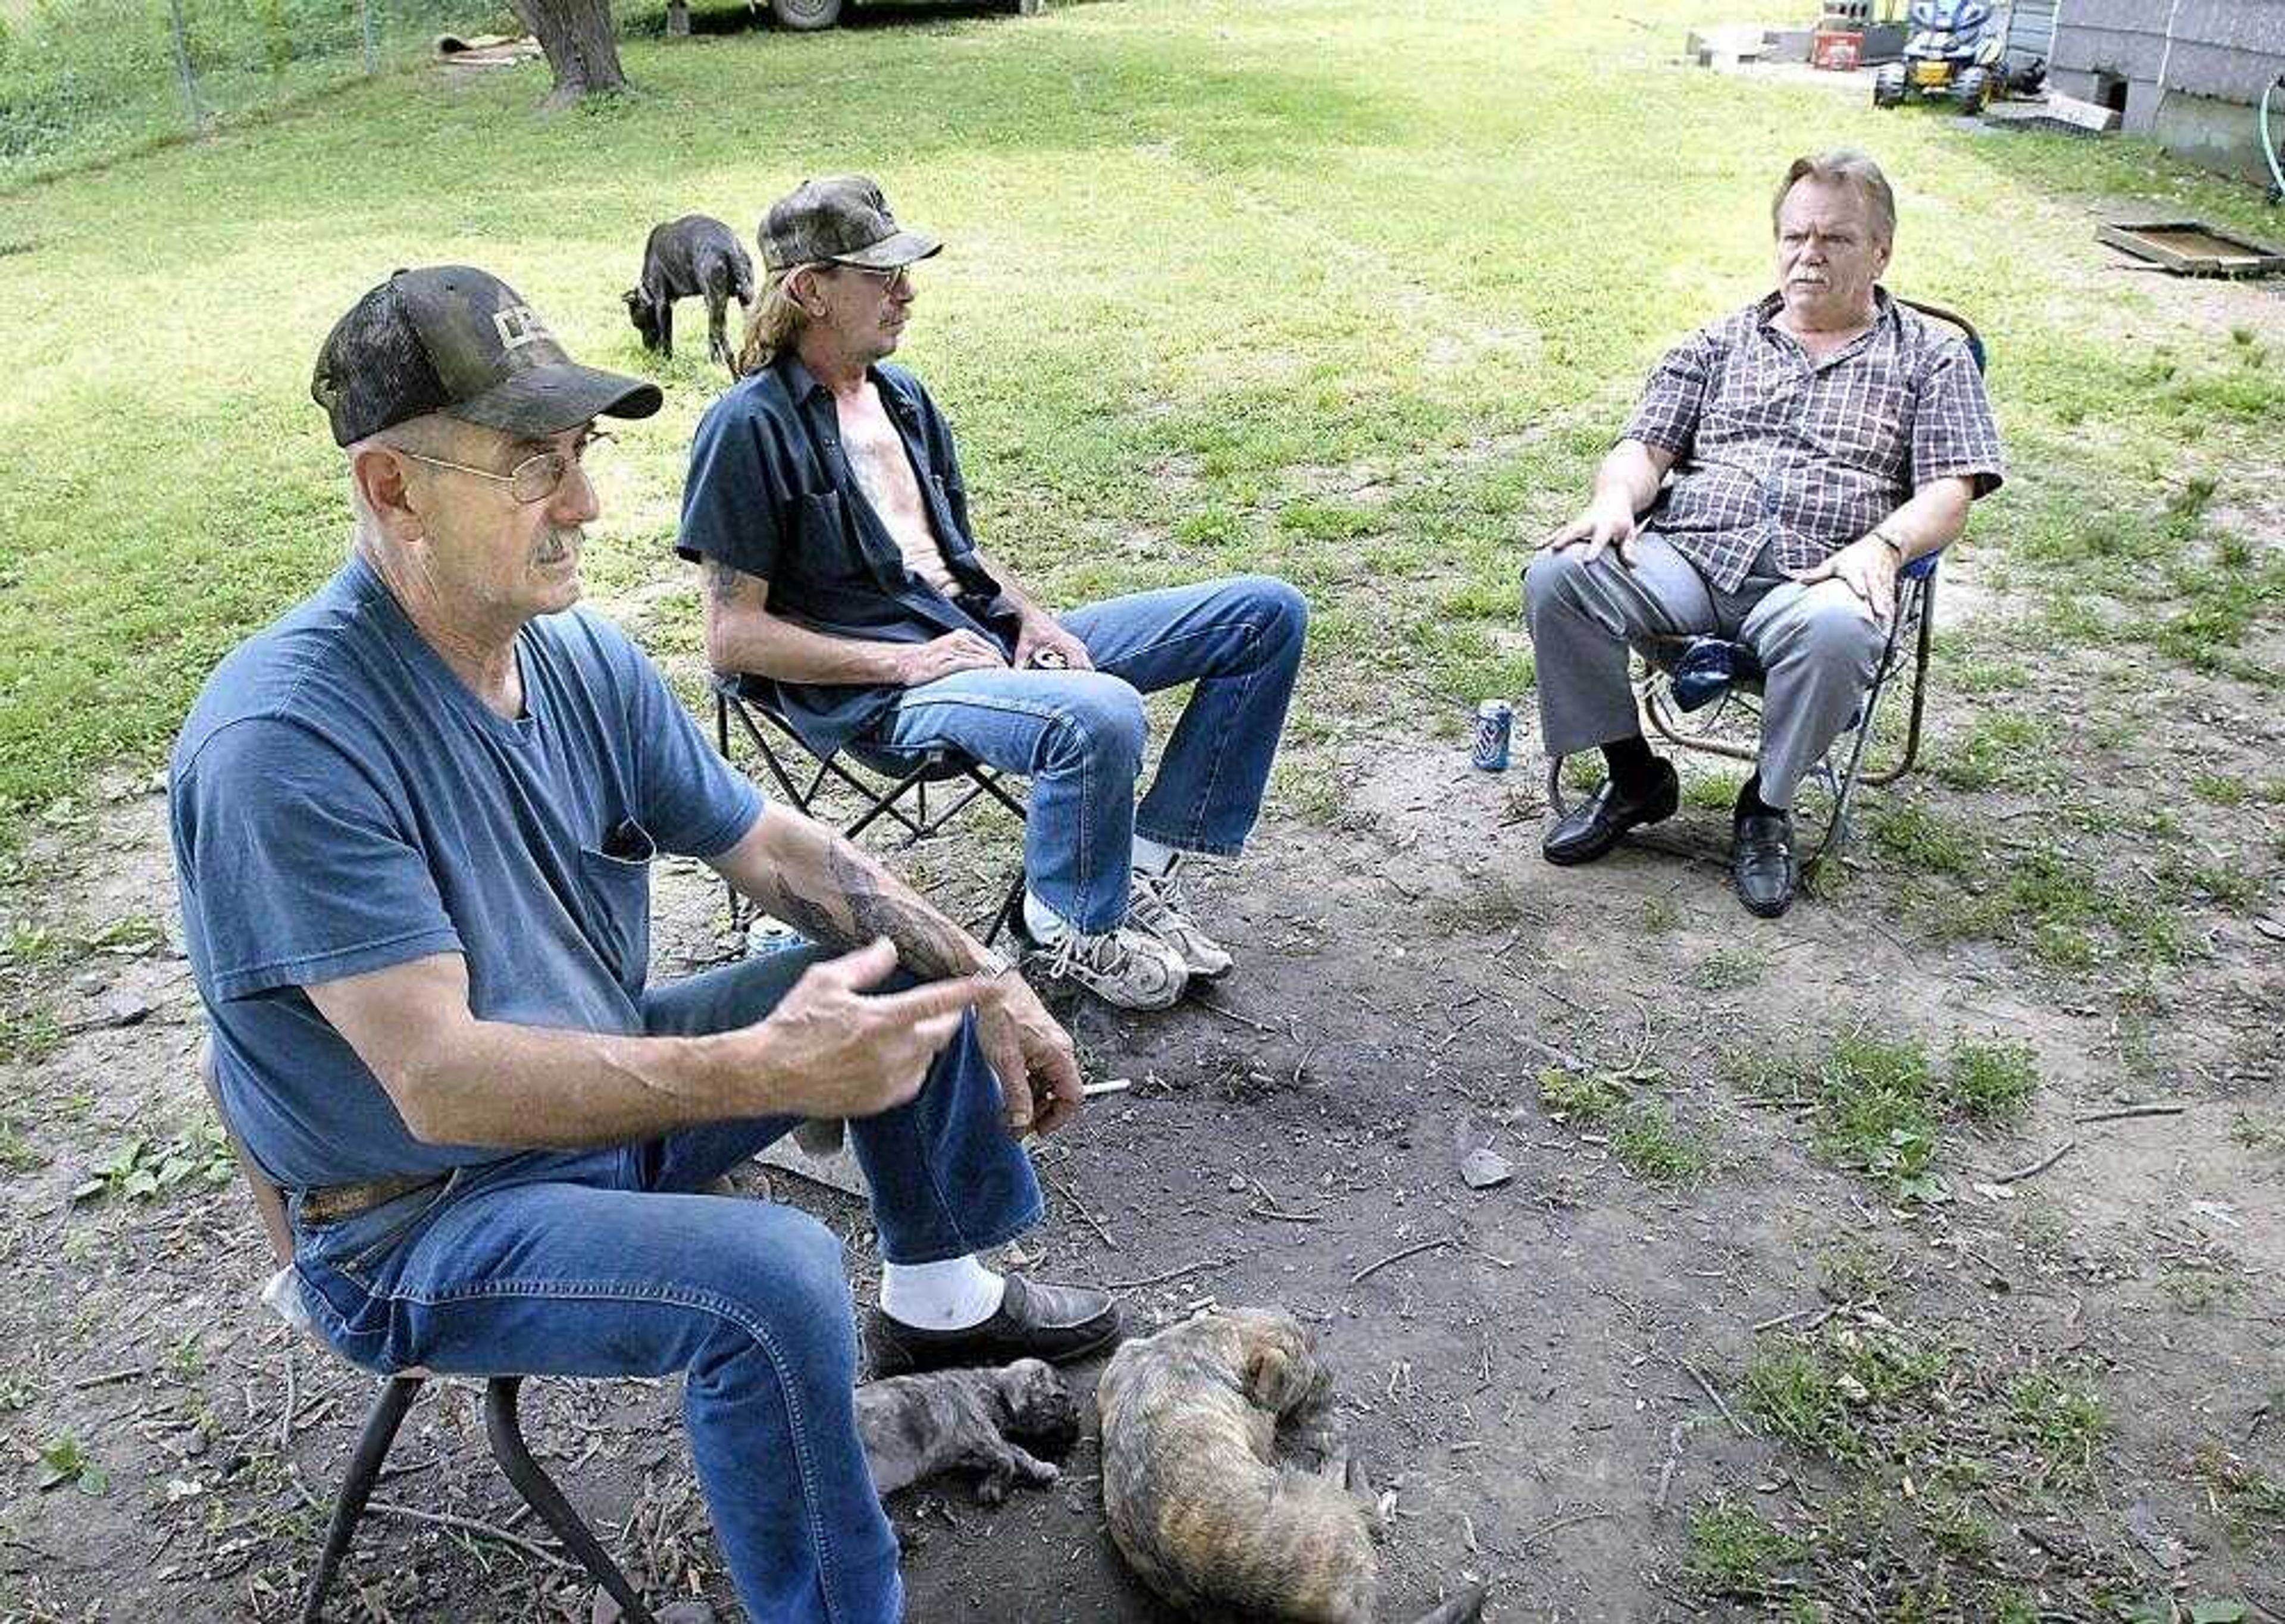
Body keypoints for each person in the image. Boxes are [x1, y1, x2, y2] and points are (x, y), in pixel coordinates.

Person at [168, 265, 1122, 1623]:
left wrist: (990, 977)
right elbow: (440, 1084)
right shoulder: (289, 744)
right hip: (418, 1217)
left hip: (584, 1108)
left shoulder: (571, 660)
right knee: (776, 1276)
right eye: (528, 466)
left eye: (580, 452)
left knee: (897, 969)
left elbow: (780, 852)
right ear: (392, 488)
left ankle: (941, 1298)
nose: (587, 504)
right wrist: (759, 1066)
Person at [680, 176, 1309, 1011]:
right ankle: (1066, 925)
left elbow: (956, 552)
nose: (906, 292)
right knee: (1101, 711)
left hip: (971, 634)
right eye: (881, 276)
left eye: (905, 270)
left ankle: (1140, 871)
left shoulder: (901, 397)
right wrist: (905, 663)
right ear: (810, 290)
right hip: (882, 688)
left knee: (1265, 614)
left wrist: (1029, 614)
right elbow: (733, 639)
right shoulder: (748, 427)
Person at [1523, 149, 2005, 917]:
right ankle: (1635, 775)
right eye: (1795, 236)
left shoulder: (1933, 358)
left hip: (1821, 574)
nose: (1809, 255)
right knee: (1562, 573)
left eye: (1836, 239)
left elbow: (1952, 489)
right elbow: (1645, 447)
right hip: (1690, 558)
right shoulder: (1716, 343)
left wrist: (1883, 548)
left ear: (1882, 251)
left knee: (1842, 626)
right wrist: (1616, 498)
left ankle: (1767, 806)